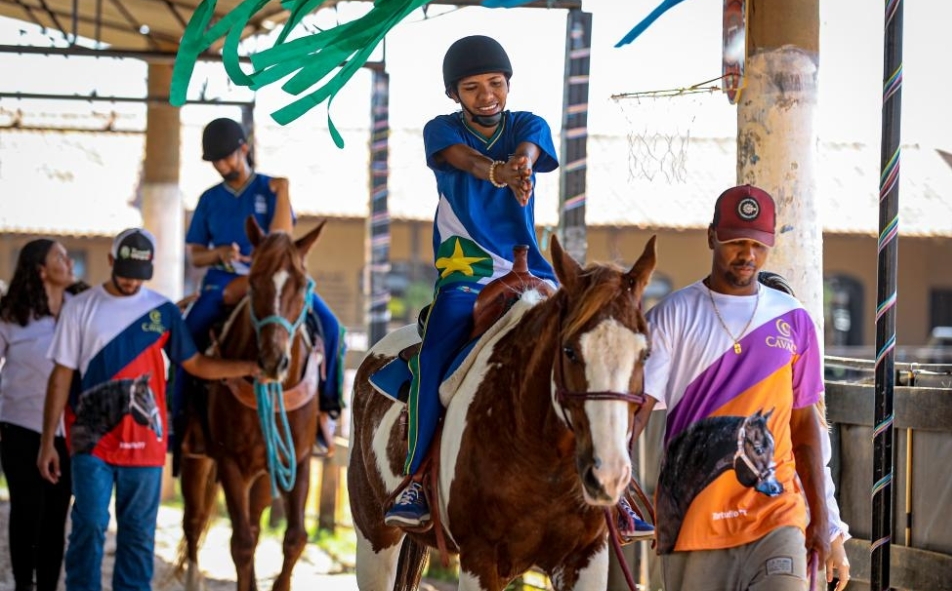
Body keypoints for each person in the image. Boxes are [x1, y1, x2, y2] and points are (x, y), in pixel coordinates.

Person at [383, 35, 657, 536]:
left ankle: (619, 486)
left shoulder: (528, 126)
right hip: (465, 271)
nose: (485, 94)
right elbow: (461, 160)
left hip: (528, 264)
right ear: (454, 95)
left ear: (508, 85)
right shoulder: (439, 131)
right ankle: (417, 478)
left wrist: (523, 166)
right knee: (432, 357)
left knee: (596, 353)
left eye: (495, 83)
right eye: (471, 87)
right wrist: (497, 171)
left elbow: (530, 147)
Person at [643, 185, 848, 590]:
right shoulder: (672, 315)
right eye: (736, 241)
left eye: (758, 244)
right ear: (711, 236)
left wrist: (828, 524)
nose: (748, 254)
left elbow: (806, 427)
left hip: (777, 519)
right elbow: (633, 412)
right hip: (692, 520)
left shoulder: (795, 321)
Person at [36, 228, 259, 591]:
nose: (129, 282)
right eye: (123, 272)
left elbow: (196, 365)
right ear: (110, 261)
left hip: (146, 445)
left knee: (138, 535)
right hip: (91, 440)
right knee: (90, 523)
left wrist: (247, 368)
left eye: (138, 275)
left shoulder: (163, 311)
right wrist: (49, 441)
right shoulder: (81, 307)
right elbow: (59, 378)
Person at [175, 117, 345, 454]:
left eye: (226, 157)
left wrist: (284, 193)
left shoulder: (271, 187)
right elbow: (195, 256)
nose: (221, 166)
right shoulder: (208, 199)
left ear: (244, 149)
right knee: (186, 331)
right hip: (223, 282)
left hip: (274, 282)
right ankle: (180, 415)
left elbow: (281, 240)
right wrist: (218, 253)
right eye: (215, 161)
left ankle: (327, 409)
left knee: (332, 327)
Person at [0, 239, 82, 591]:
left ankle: (48, 585)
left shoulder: (82, 308)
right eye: (60, 257)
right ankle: (23, 584)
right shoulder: (9, 314)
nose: (69, 262)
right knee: (26, 510)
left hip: (68, 431)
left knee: (56, 515)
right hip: (18, 427)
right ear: (41, 270)